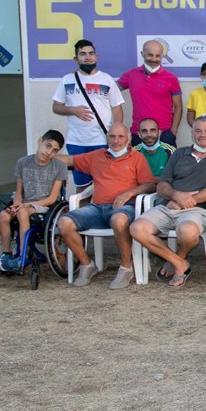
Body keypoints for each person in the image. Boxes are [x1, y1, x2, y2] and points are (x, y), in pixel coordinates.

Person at [129, 116, 206, 287]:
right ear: (192, 134)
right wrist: (176, 196)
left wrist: (187, 201)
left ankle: (177, 260)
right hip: (168, 206)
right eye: (198, 131)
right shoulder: (178, 153)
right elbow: (162, 185)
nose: (202, 135)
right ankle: (179, 263)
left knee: (187, 232)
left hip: (198, 210)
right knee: (137, 228)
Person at [55, 122, 157, 289]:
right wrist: (44, 154)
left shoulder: (137, 158)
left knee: (119, 220)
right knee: (64, 223)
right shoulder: (97, 156)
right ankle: (87, 264)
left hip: (123, 209)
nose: (116, 141)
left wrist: (130, 192)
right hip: (96, 208)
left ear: (129, 138)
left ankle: (125, 268)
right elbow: (69, 160)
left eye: (120, 136)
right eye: (112, 136)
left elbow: (150, 185)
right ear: (107, 138)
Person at [51, 39, 126, 188]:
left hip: (101, 141)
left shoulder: (106, 79)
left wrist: (116, 134)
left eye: (91, 53)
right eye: (83, 54)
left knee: (105, 184)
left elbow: (117, 108)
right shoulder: (67, 80)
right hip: (77, 142)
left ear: (96, 57)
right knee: (82, 186)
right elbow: (56, 107)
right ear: (75, 59)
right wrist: (73, 110)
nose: (88, 57)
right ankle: (82, 211)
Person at [0, 130, 66, 271]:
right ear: (40, 141)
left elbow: (52, 199)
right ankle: (6, 255)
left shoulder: (59, 167)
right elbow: (19, 191)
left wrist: (24, 205)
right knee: (3, 215)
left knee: (22, 213)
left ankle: (22, 255)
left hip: (44, 205)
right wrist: (16, 204)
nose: (49, 152)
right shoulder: (22, 162)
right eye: (47, 146)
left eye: (54, 150)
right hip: (23, 203)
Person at [117, 39, 182, 147]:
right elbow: (111, 89)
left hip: (164, 134)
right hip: (139, 134)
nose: (154, 59)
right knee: (138, 164)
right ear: (142, 54)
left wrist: (173, 131)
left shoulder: (171, 78)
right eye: (150, 55)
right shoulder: (131, 75)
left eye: (158, 56)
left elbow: (178, 106)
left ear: (162, 56)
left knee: (167, 164)